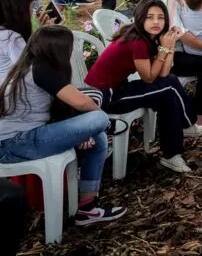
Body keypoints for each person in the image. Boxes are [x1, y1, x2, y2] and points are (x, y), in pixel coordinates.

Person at [0, 25, 128, 225]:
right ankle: (109, 125)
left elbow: (62, 109)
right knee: (99, 119)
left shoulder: (29, 65)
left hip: (26, 138)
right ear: (59, 49)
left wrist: (85, 131)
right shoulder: (41, 68)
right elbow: (82, 103)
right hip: (13, 144)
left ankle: (87, 209)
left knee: (98, 135)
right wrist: (93, 124)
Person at [85, 0, 202, 173]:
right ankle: (186, 128)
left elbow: (163, 74)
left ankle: (173, 152)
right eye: (149, 17)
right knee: (169, 88)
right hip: (105, 96)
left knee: (169, 85)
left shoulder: (146, 37)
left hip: (117, 88)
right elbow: (149, 78)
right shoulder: (137, 42)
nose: (156, 22)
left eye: (160, 17)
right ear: (140, 18)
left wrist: (168, 47)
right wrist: (165, 49)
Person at [0, 0, 33, 81]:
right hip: (8, 92)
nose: (32, 11)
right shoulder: (12, 38)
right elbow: (29, 69)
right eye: (31, 6)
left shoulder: (4, 32)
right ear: (21, 10)